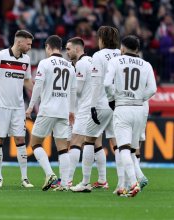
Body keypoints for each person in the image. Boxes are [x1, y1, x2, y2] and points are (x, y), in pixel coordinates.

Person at [0, 30, 34, 188]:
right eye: (28, 44)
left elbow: (27, 82)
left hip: (18, 106)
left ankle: (24, 178)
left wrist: (39, 95)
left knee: (20, 140)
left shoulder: (26, 59)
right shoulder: (0, 56)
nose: (30, 47)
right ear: (19, 42)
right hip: (0, 105)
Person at [104, 35, 157, 197]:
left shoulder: (116, 61)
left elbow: (107, 84)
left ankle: (133, 183)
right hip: (139, 109)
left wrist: (113, 97)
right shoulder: (146, 65)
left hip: (123, 107)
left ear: (123, 48)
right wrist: (140, 97)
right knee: (133, 150)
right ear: (138, 49)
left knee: (124, 149)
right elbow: (153, 89)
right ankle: (126, 185)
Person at [71, 26, 120, 193]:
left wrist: (92, 106)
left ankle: (85, 182)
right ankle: (121, 183)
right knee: (119, 144)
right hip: (118, 104)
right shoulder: (121, 54)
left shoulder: (98, 56)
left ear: (102, 39)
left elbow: (97, 83)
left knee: (89, 140)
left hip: (102, 103)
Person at [26, 35, 76, 191]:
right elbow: (73, 90)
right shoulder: (69, 66)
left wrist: (30, 107)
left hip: (47, 109)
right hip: (63, 111)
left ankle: (50, 174)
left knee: (35, 143)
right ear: (60, 48)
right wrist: (71, 110)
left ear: (48, 47)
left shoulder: (45, 63)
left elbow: (38, 86)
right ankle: (65, 183)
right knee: (63, 149)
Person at [64, 37, 103, 186]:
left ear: (77, 49)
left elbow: (77, 90)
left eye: (68, 49)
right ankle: (102, 179)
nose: (67, 52)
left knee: (75, 143)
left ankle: (68, 180)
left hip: (84, 109)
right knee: (96, 144)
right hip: (96, 107)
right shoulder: (93, 61)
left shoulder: (80, 63)